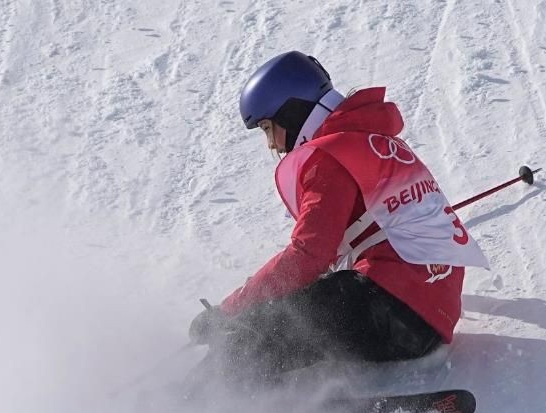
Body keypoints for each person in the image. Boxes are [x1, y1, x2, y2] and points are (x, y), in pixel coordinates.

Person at [189, 51, 489, 389]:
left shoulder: (327, 158)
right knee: (282, 311)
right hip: (431, 313)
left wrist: (230, 310)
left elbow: (308, 255)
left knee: (259, 329)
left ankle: (186, 406)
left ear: (292, 111)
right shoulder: (374, 141)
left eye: (268, 128)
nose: (272, 144)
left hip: (392, 312)